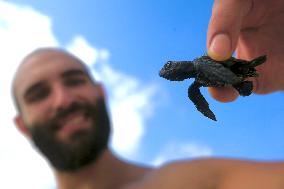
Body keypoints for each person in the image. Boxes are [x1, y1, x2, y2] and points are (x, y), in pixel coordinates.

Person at [12, 1, 284, 189]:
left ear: (101, 92)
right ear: (22, 125)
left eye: (74, 81)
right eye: (39, 94)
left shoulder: (198, 182)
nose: (64, 99)